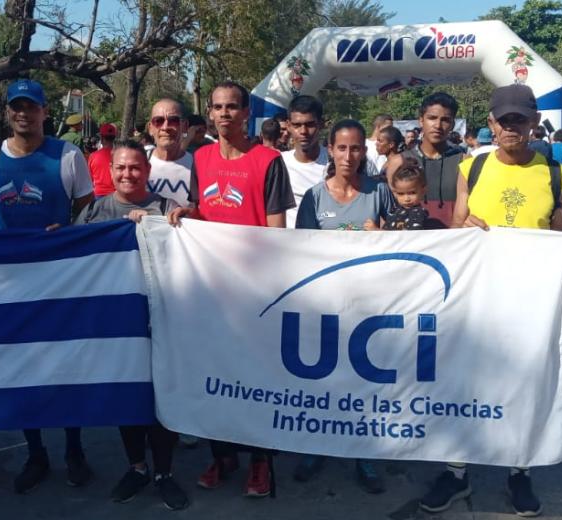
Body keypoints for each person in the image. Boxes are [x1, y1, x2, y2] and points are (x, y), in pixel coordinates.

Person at [428, 84, 562, 517]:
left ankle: (519, 471)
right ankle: (456, 471)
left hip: (530, 301)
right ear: (491, 124)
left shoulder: (556, 173)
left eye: (520, 119)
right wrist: (466, 227)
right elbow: (457, 226)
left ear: (534, 123)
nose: (511, 128)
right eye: (504, 120)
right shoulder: (473, 167)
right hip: (479, 299)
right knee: (464, 379)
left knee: (525, 382)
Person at [167, 80, 294, 498]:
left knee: (255, 379)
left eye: (232, 107)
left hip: (254, 294)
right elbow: (204, 211)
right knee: (214, 376)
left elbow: (277, 234)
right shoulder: (200, 158)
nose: (224, 114)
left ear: (245, 113)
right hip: (210, 292)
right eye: (217, 107)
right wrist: (189, 211)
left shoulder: (269, 160)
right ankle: (222, 456)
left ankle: (260, 462)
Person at [0, 79, 95, 494]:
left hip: (60, 281)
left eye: (32, 106)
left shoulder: (68, 155)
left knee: (66, 367)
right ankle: (36, 452)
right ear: (7, 113)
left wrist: (68, 232)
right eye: (16, 106)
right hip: (10, 284)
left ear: (44, 112)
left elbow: (87, 212)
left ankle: (74, 449)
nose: (24, 113)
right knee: (22, 369)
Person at [70, 141, 188, 509]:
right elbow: (70, 253)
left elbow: (195, 249)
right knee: (128, 398)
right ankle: (136, 467)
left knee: (161, 399)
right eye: (120, 168)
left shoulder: (166, 209)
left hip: (161, 322)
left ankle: (164, 473)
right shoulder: (94, 212)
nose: (127, 174)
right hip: (115, 325)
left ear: (148, 171)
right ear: (110, 171)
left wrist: (184, 220)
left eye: (135, 168)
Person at [291, 119, 391, 494]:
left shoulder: (379, 192)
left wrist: (384, 236)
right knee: (322, 383)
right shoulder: (315, 197)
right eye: (342, 148)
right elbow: (300, 252)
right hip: (325, 308)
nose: (349, 156)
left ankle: (365, 455)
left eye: (356, 148)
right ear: (330, 150)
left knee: (365, 384)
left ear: (364, 152)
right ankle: (317, 448)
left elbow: (402, 243)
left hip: (370, 309)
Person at [400, 93, 464, 229]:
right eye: (432, 118)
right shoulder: (399, 162)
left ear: (452, 124)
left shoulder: (464, 162)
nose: (438, 125)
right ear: (421, 120)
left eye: (445, 120)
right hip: (410, 243)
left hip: (453, 242)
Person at [281, 95, 327, 228]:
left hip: (325, 242)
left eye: (310, 124)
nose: (303, 131)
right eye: (297, 125)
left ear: (321, 124)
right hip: (288, 243)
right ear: (288, 126)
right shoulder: (279, 163)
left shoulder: (336, 163)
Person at [146, 99, 193, 208]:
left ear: (185, 126)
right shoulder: (136, 163)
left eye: (173, 120)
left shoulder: (198, 167)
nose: (165, 127)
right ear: (150, 128)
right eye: (158, 121)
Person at [383, 160, 435, 230]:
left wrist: (377, 231)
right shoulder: (394, 211)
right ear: (395, 192)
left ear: (423, 191)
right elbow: (386, 230)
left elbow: (409, 236)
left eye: (412, 193)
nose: (406, 199)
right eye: (401, 194)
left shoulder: (418, 214)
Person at [88, 123, 118, 198]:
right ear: (114, 137)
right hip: (116, 195)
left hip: (99, 195)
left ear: (101, 138)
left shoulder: (93, 156)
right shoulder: (120, 155)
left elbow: (89, 179)